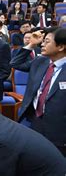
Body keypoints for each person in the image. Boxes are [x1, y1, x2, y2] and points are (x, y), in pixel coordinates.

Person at [11, 28, 66, 156]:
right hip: (33, 120)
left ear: (61, 47)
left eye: (47, 41)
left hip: (58, 129)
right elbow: (15, 63)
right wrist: (31, 44)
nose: (42, 44)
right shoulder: (40, 61)